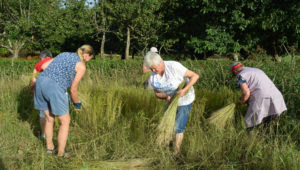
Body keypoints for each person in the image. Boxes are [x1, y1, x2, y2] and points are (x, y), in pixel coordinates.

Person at [34, 45, 94, 156]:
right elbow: (73, 89)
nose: (89, 61)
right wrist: (77, 104)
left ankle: (50, 148)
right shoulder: (81, 66)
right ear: (86, 55)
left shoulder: (63, 54)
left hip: (40, 83)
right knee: (65, 121)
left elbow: (43, 66)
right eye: (90, 58)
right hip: (54, 87)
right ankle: (61, 153)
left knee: (49, 119)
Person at [143, 51, 199, 156]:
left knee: (178, 127)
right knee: (168, 124)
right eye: (151, 69)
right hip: (171, 101)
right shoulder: (153, 75)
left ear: (160, 62)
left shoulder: (174, 67)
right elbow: (157, 94)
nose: (153, 71)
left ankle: (175, 153)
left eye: (155, 68)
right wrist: (166, 97)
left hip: (184, 99)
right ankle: (167, 145)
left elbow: (195, 76)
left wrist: (184, 90)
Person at [231, 62, 287, 131]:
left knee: (248, 123)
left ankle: (250, 140)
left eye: (234, 74)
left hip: (261, 97)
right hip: (276, 96)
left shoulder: (240, 76)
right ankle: (265, 138)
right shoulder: (256, 70)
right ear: (243, 66)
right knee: (266, 122)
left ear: (235, 71)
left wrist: (241, 101)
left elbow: (246, 93)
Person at [30, 50, 53, 140]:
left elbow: (33, 81)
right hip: (54, 90)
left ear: (44, 57)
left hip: (41, 90)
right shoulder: (54, 61)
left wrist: (32, 90)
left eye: (40, 58)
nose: (40, 60)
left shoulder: (38, 65)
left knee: (43, 114)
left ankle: (43, 135)